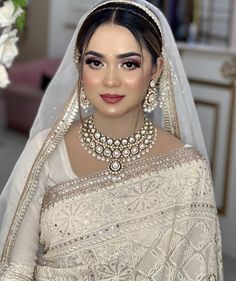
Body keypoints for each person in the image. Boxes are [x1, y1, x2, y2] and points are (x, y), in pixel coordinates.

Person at [0, 0, 223, 280]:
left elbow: (197, 272)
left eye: (129, 64)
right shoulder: (45, 150)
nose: (110, 80)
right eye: (96, 62)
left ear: (156, 69)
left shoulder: (188, 169)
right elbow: (15, 269)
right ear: (79, 66)